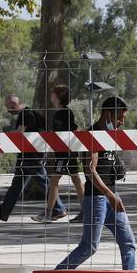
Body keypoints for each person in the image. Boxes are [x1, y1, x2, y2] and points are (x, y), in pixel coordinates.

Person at [55, 95, 137, 270]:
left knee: (128, 243)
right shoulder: (93, 135)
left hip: (112, 198)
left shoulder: (110, 136)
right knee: (89, 247)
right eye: (119, 118)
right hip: (97, 200)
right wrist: (110, 195)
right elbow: (90, 171)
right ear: (108, 115)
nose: (122, 123)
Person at [0, 94, 64, 222]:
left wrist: (0, 144)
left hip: (30, 156)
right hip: (35, 153)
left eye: (9, 108)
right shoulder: (34, 113)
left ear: (14, 105)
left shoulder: (24, 114)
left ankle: (59, 208)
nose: (8, 111)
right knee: (17, 185)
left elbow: (19, 134)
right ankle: (4, 211)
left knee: (43, 182)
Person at [36, 83, 84, 222]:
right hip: (66, 153)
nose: (51, 96)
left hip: (65, 154)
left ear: (58, 97)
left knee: (54, 181)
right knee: (76, 180)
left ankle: (49, 213)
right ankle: (85, 211)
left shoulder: (64, 113)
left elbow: (67, 132)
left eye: (53, 94)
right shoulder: (63, 113)